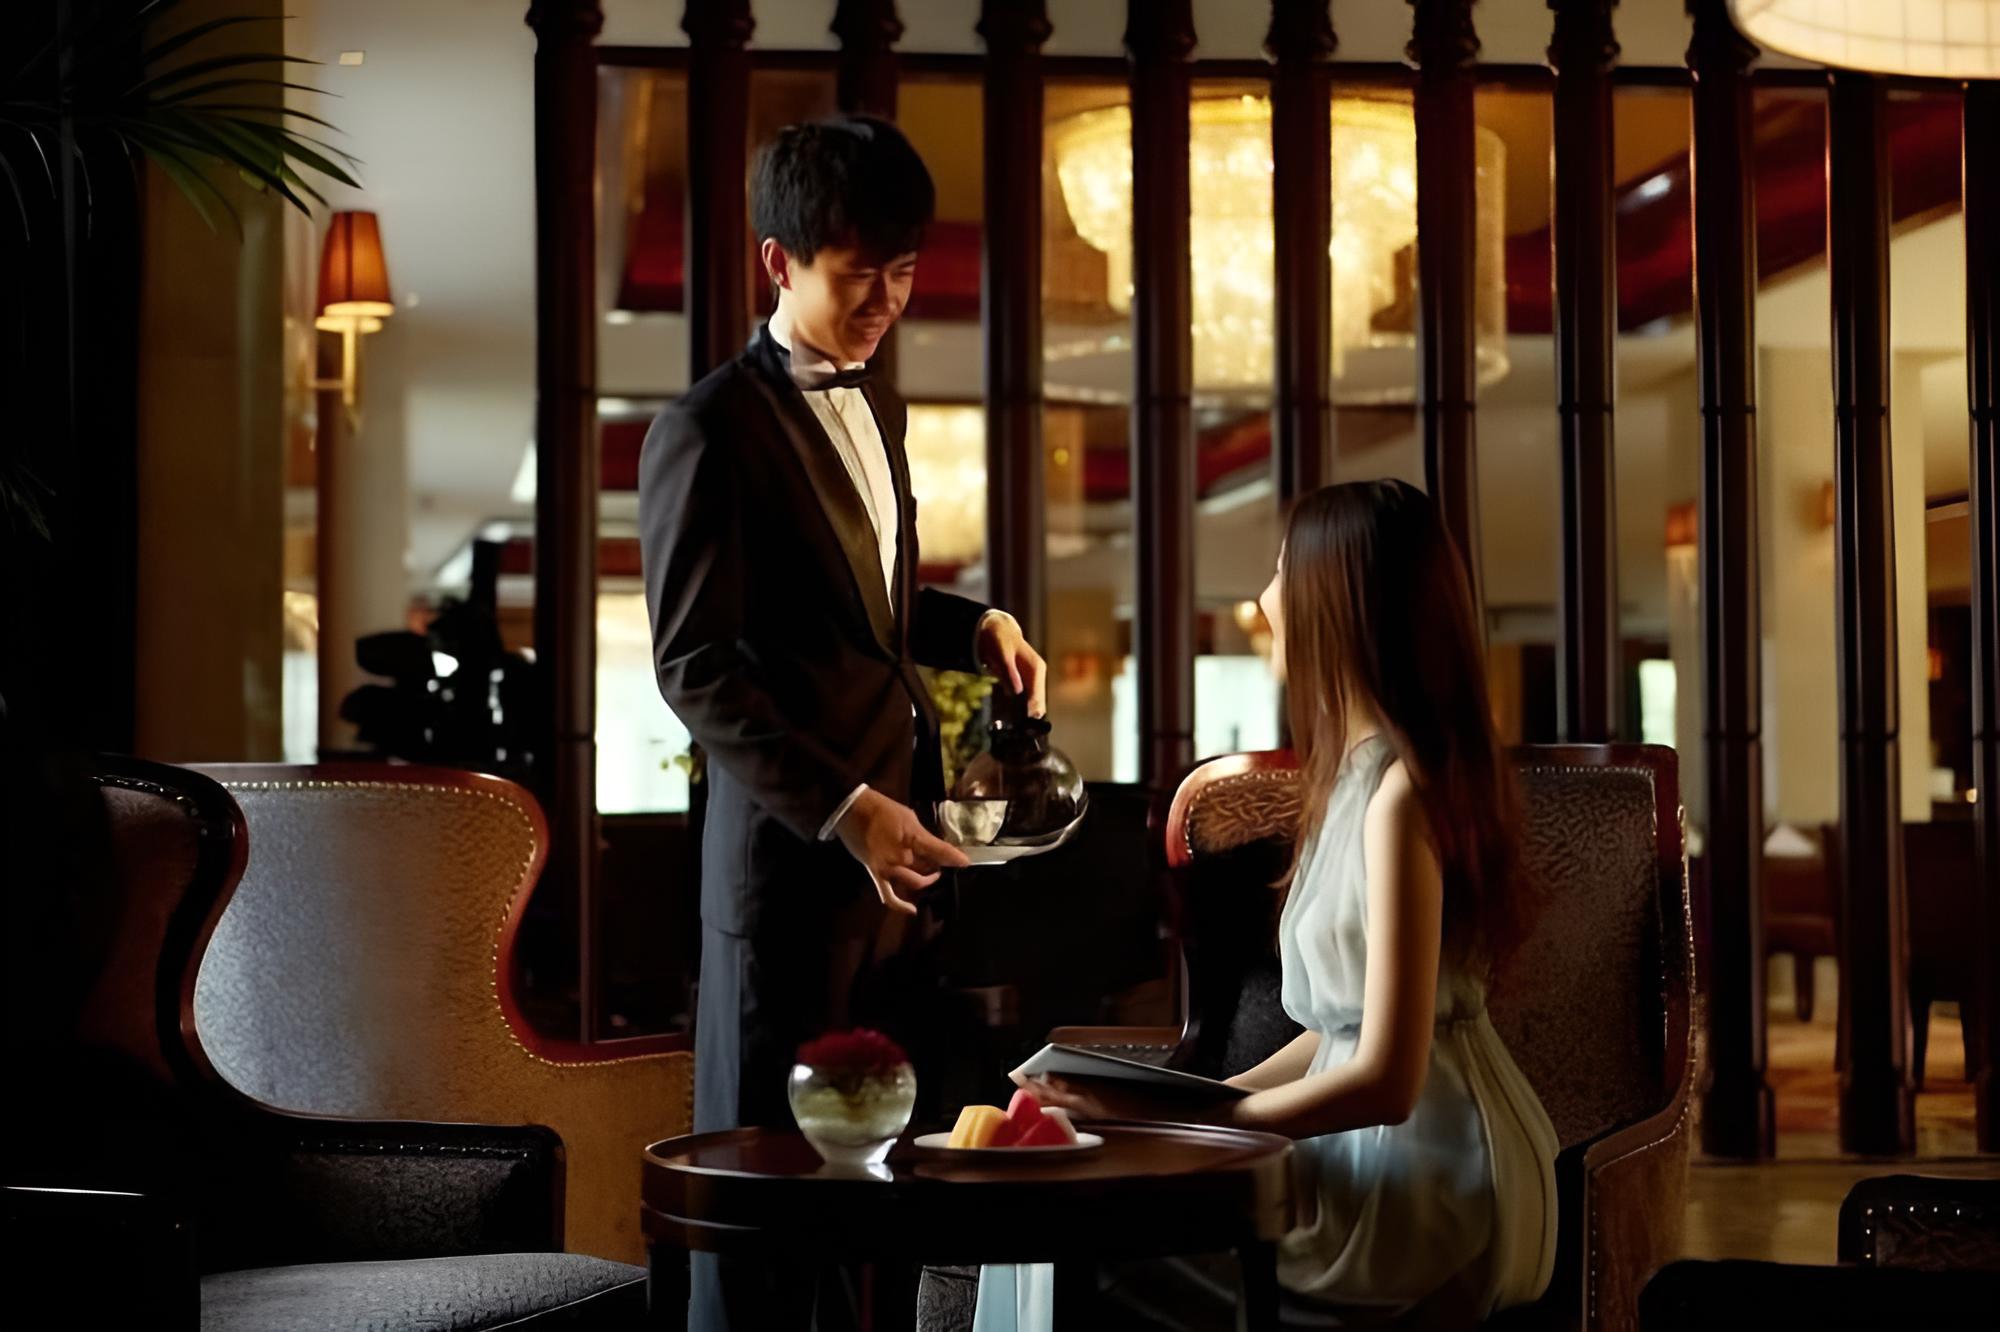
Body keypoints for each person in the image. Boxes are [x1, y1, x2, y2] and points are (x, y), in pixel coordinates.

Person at [638, 114, 1047, 1332]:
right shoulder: (705, 429)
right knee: (767, 1226)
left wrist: (974, 626)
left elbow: (865, 611)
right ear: (778, 262)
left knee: (884, 1212)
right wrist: (844, 810)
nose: (887, 300)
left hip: (899, 881)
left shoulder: (884, 407)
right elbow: (694, 665)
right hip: (787, 880)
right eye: (858, 272)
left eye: (904, 270)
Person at [985, 480, 1557, 1330]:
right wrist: (1184, 1104)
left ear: (1336, 599)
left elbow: (1388, 1080)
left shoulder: (1402, 796)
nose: (1264, 599)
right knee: (1069, 1224)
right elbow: (1338, 1033)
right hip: (1373, 1163)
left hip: (1427, 1183)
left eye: (1283, 572)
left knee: (1079, 1249)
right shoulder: (1353, 784)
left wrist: (1214, 1129)